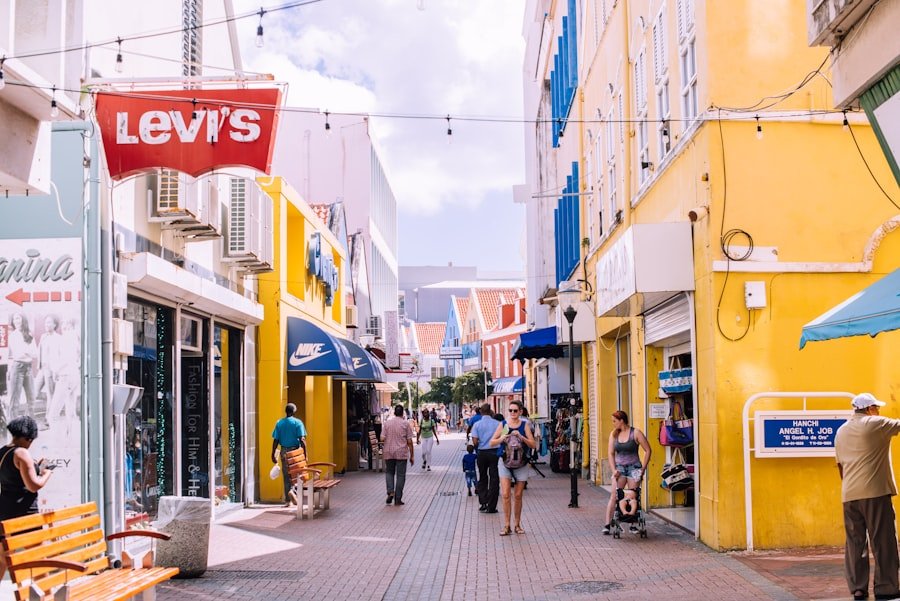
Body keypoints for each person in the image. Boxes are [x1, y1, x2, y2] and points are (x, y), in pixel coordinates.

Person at [834, 393, 900, 600]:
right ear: (870, 409)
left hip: (849, 494)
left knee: (855, 543)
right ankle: (886, 588)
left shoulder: (841, 431)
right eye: (877, 408)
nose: (879, 411)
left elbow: (840, 466)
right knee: (883, 541)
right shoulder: (876, 424)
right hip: (875, 492)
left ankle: (858, 588)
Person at [0, 416, 54, 580]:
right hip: (25, 513)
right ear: (27, 437)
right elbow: (33, 485)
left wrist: (37, 465)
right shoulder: (22, 453)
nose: (30, 444)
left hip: (5, 511)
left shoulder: (3, 451)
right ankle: (45, 593)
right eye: (31, 440)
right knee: (37, 558)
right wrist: (47, 473)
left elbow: (14, 477)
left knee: (2, 559)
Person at [490, 400, 537, 536]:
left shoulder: (524, 425)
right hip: (505, 462)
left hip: (521, 464)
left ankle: (517, 524)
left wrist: (521, 437)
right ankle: (506, 525)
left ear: (520, 411)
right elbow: (492, 442)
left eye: (515, 411)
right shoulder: (503, 424)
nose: (512, 413)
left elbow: (533, 445)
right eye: (510, 410)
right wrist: (502, 438)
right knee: (505, 494)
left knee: (518, 495)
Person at [603, 410, 651, 535]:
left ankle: (632, 525)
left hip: (634, 468)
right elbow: (611, 453)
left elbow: (648, 450)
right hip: (620, 468)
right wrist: (614, 470)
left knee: (632, 495)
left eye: (614, 421)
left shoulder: (635, 433)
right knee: (614, 495)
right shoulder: (614, 434)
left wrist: (643, 469)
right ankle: (607, 524)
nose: (613, 423)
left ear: (622, 420)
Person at [270, 403, 307, 507]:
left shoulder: (280, 423)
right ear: (294, 411)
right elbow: (302, 439)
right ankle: (293, 491)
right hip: (295, 452)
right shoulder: (298, 422)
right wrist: (305, 454)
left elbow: (276, 440)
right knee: (298, 474)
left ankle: (288, 501)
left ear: (286, 411)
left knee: (286, 475)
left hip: (284, 452)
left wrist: (272, 453)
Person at [7, 313, 38, 423]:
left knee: (31, 398)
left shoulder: (29, 334)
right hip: (18, 367)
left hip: (28, 368)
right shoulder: (13, 335)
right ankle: (13, 424)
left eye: (18, 318)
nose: (16, 321)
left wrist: (26, 351)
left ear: (23, 319)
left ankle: (30, 424)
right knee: (15, 399)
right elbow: (18, 353)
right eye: (14, 319)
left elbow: (35, 354)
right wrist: (28, 351)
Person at [382, 404, 415, 506]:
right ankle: (398, 498)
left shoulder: (387, 423)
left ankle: (390, 491)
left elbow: (382, 438)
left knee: (389, 472)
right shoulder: (406, 424)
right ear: (402, 413)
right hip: (401, 452)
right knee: (400, 475)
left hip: (388, 451)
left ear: (394, 413)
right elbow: (409, 441)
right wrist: (412, 455)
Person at [471, 403, 501, 514]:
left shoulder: (477, 425)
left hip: (482, 453)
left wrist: (480, 444)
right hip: (494, 452)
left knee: (483, 477)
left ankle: (483, 503)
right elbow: (502, 438)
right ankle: (492, 506)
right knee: (494, 478)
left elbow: (475, 441)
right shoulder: (498, 424)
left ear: (481, 412)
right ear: (490, 411)